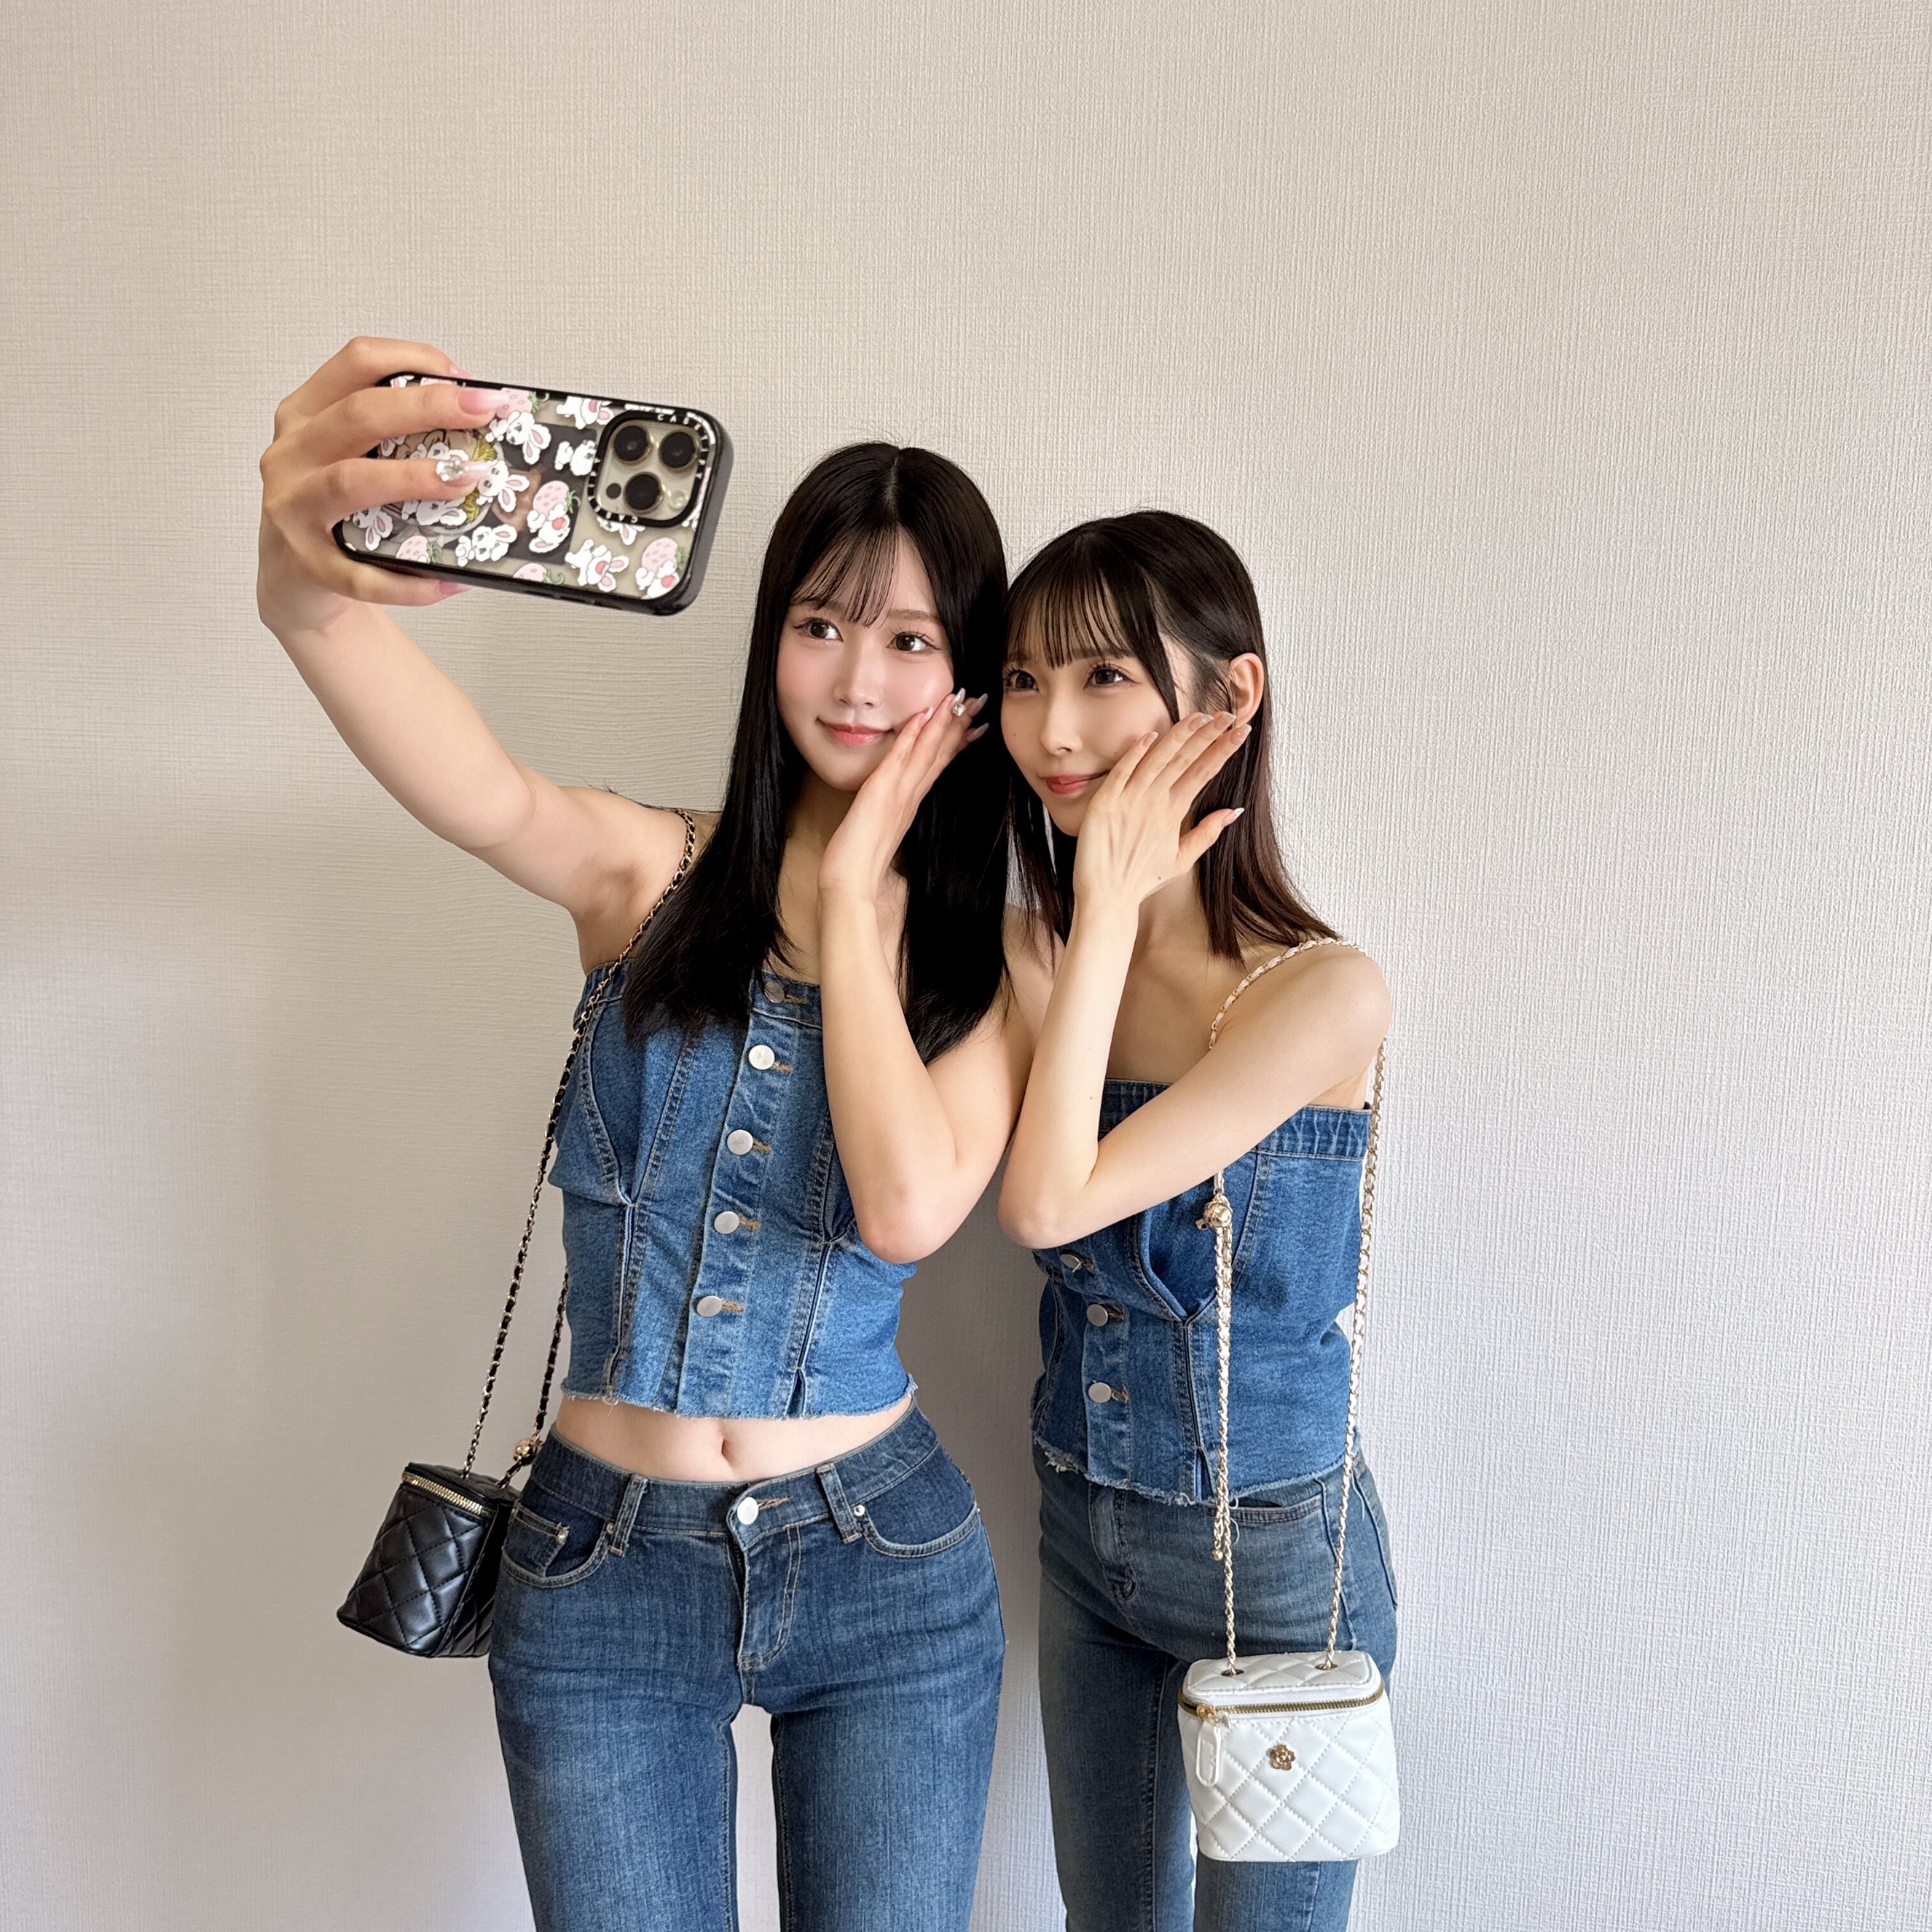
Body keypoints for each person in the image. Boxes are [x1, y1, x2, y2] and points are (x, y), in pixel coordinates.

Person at [256, 338, 1032, 1932]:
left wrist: (855, 891)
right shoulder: (648, 874)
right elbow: (476, 787)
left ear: (967, 677)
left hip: (884, 1565)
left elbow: (904, 1212)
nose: (857, 681)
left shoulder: (999, 962)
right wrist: (304, 591)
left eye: (908, 639)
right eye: (819, 626)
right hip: (602, 1566)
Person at [997, 511, 1399, 1932]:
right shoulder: (1032, 952)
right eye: (1024, 679)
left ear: (1232, 697)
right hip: (1080, 1525)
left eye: (1104, 676)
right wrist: (1090, 925)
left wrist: (1109, 908)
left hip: (1278, 1562)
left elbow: (1047, 1200)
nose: (1054, 728)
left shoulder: (1323, 992)